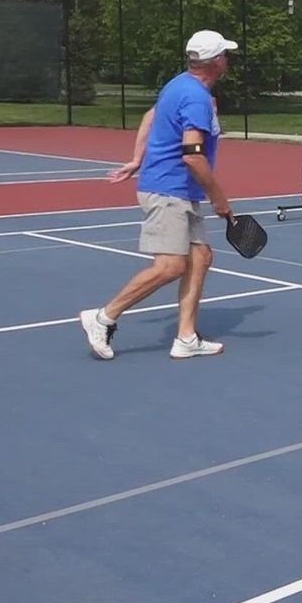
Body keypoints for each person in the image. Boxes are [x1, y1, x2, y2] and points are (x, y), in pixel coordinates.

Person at [80, 30, 238, 361]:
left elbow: (149, 117)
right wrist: (219, 196)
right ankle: (102, 318)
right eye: (225, 54)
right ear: (215, 62)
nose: (228, 59)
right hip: (169, 190)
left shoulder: (179, 84)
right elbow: (192, 155)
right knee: (170, 266)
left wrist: (138, 159)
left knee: (200, 258)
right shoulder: (194, 96)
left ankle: (185, 337)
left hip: (180, 191)